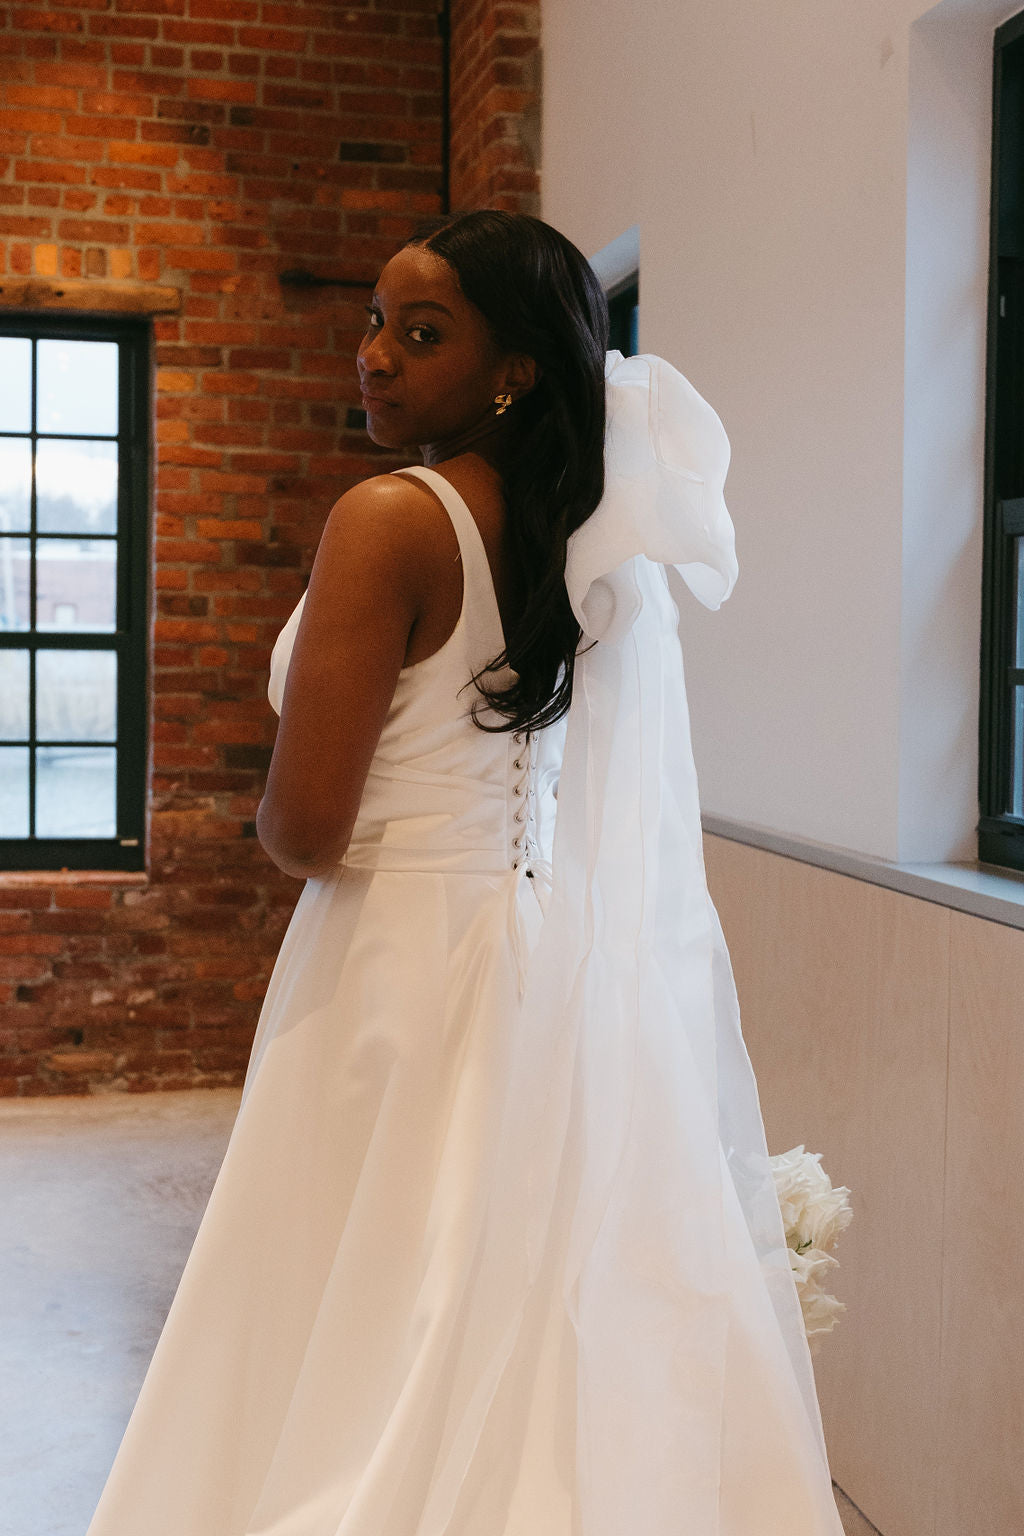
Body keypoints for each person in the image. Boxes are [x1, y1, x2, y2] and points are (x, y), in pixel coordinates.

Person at [86, 210, 845, 1535]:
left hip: (393, 957)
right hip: (542, 955)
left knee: (364, 1294)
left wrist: (289, 826)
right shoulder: (584, 539)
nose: (374, 356)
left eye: (419, 333)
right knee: (513, 1293)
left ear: (514, 370)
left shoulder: (389, 520)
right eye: (375, 322)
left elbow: (307, 825)